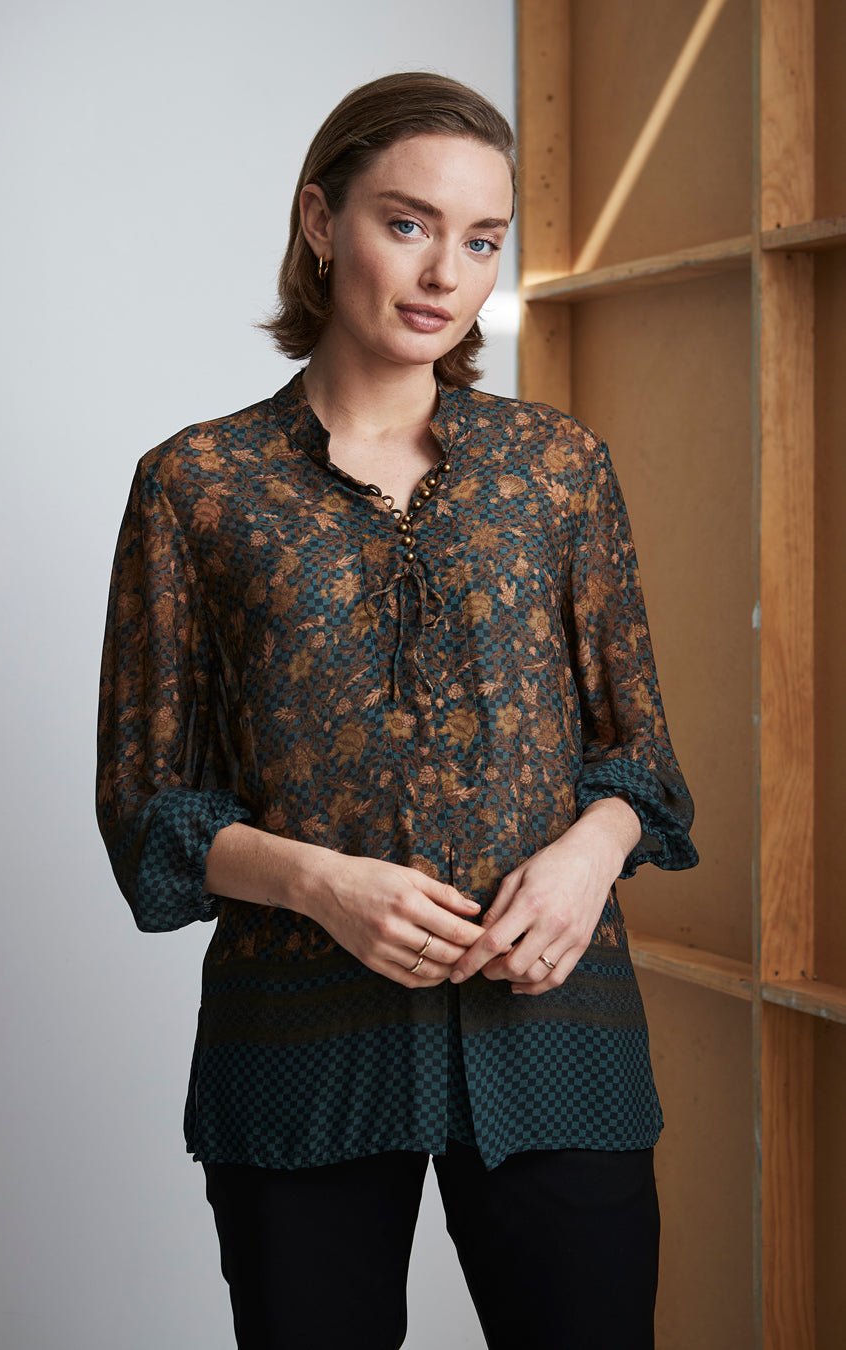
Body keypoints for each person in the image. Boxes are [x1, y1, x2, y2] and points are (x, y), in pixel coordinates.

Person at [96, 71, 698, 1350]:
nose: (443, 275)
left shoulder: (556, 469)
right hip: (300, 1042)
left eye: (481, 241)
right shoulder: (197, 485)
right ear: (322, 221)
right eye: (408, 223)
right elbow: (147, 808)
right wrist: (320, 884)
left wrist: (589, 858)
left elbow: (638, 755)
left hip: (556, 1026)